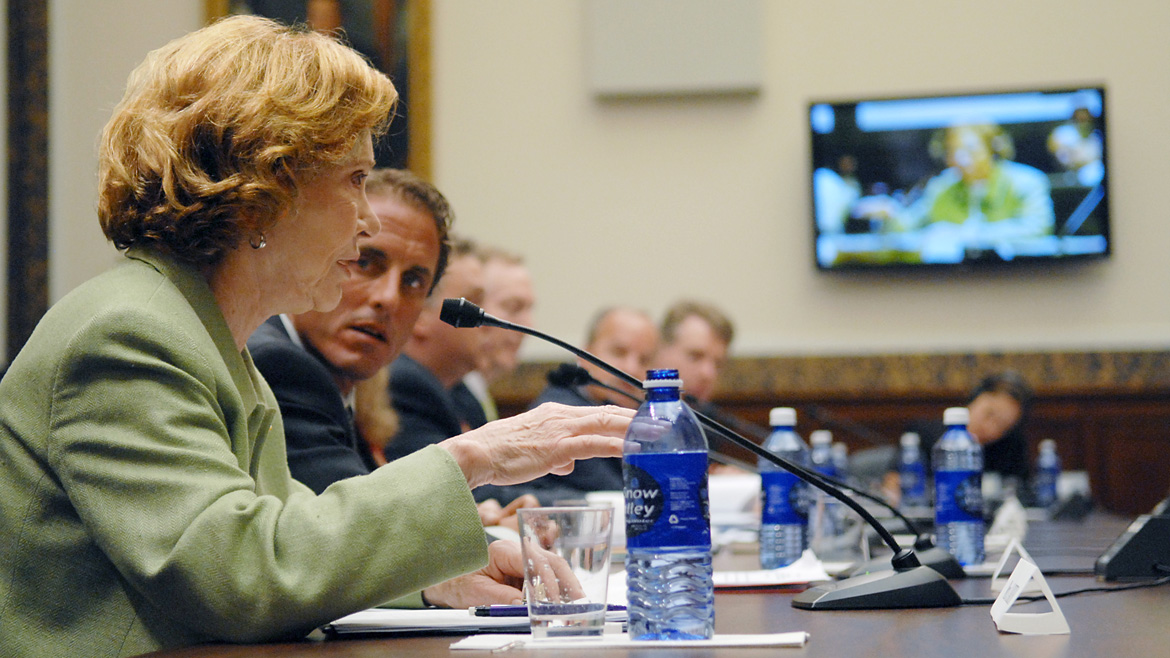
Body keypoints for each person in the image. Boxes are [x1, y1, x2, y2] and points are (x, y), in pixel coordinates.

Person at [0, 17, 632, 657]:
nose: (365, 222)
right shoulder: (129, 335)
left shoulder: (205, 333)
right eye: (356, 180)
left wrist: (439, 577)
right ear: (264, 188)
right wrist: (474, 457)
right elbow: (238, 576)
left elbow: (287, 539)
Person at [509, 306, 660, 504]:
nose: (631, 368)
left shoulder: (646, 416)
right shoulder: (559, 411)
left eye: (644, 360)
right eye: (619, 352)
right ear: (584, 354)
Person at [382, 238, 488, 463]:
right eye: (473, 304)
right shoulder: (405, 386)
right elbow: (457, 482)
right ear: (421, 316)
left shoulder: (462, 394)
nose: (487, 320)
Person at [882, 371, 1034, 502]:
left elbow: (1022, 495)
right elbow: (893, 484)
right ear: (974, 398)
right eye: (989, 414)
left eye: (1003, 426)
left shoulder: (1011, 448)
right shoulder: (923, 434)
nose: (990, 429)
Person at [452, 246, 537, 429]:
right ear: (473, 308)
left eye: (529, 310)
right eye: (513, 307)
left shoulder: (478, 393)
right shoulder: (446, 394)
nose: (528, 325)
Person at [654, 300, 735, 405]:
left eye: (718, 364)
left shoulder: (714, 418)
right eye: (695, 356)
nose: (708, 373)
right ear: (661, 349)